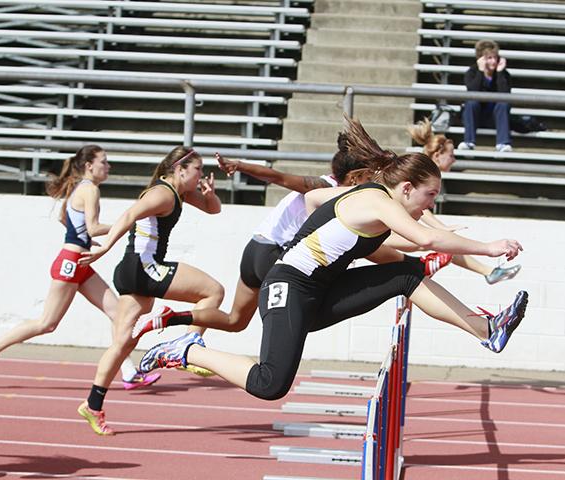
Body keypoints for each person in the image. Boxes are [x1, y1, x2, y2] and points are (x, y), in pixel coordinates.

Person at [137, 117, 528, 408]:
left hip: (318, 291)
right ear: (406, 188)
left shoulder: (365, 199)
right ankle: (187, 350)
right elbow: (424, 238)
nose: (430, 206)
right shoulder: (376, 200)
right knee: (270, 384)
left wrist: (320, 232)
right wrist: (487, 247)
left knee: (407, 274)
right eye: (430, 196)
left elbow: (314, 202)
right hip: (286, 288)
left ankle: (485, 329)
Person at [130, 134, 455, 346]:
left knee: (234, 321)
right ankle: (418, 266)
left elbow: (277, 177)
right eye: (370, 178)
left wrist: (240, 164)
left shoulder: (319, 185)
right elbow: (377, 243)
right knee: (343, 267)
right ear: (357, 178)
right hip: (278, 256)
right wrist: (423, 251)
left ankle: (178, 325)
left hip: (254, 251)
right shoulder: (348, 195)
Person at [0, 145, 160, 390]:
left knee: (119, 314)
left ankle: (128, 372)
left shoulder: (80, 188)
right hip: (71, 263)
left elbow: (66, 219)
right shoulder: (90, 190)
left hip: (80, 262)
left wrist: (83, 239)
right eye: (104, 162)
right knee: (47, 323)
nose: (109, 167)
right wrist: (125, 225)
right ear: (89, 166)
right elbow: (94, 226)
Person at [75, 146, 224, 435]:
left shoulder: (180, 192)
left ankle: (92, 404)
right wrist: (105, 246)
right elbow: (130, 213)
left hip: (132, 271)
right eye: (198, 170)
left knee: (123, 343)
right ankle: (186, 346)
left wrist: (209, 193)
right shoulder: (164, 193)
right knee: (213, 292)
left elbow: (214, 209)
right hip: (145, 268)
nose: (201, 175)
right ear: (180, 170)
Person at [408, 117, 521, 284]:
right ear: (438, 155)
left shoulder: (426, 172)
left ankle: (488, 272)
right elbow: (418, 206)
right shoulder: (423, 172)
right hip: (390, 227)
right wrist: (441, 227)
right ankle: (488, 272)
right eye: (451, 155)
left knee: (445, 246)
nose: (454, 160)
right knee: (442, 244)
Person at [461, 39, 512, 153]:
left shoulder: (504, 74)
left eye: (495, 57)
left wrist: (499, 73)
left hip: (495, 117)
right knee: (471, 102)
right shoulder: (472, 72)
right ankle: (469, 142)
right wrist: (480, 71)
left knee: (503, 104)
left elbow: (505, 95)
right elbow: (473, 91)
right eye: (489, 58)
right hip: (476, 116)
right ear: (481, 59)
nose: (493, 61)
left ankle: (503, 143)